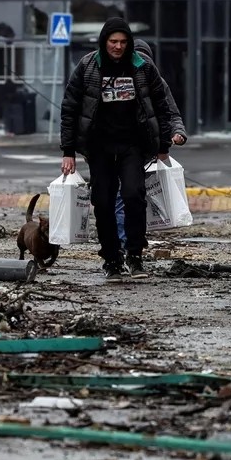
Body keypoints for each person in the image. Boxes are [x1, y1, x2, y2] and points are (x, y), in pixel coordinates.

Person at [59, 17, 186, 278]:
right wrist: (68, 151)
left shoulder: (142, 66)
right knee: (103, 202)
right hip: (100, 147)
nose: (118, 47)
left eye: (123, 42)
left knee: (133, 196)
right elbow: (70, 108)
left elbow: (161, 107)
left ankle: (135, 255)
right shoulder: (87, 66)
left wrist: (163, 145)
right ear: (104, 42)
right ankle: (111, 259)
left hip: (133, 145)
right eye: (113, 42)